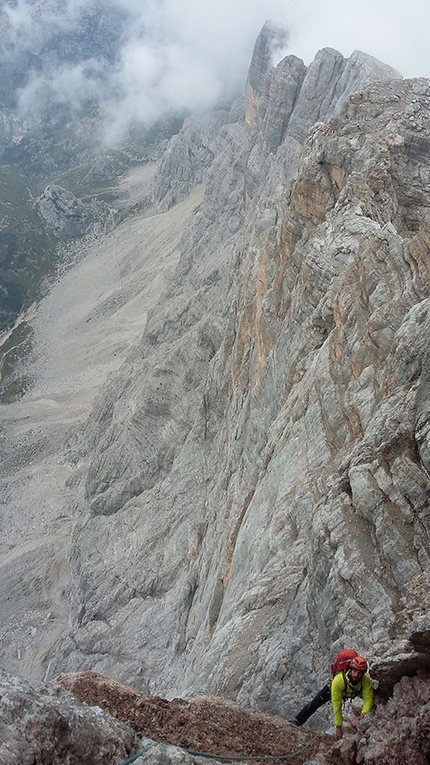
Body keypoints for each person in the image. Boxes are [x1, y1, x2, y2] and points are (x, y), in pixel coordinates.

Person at [290, 655, 374, 739]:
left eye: (359, 673)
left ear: (363, 674)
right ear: (350, 669)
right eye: (354, 671)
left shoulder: (365, 681)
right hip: (331, 690)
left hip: (349, 691)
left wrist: (364, 712)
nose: (356, 675)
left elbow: (368, 697)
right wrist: (338, 727)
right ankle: (298, 720)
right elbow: (336, 704)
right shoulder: (339, 680)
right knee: (314, 704)